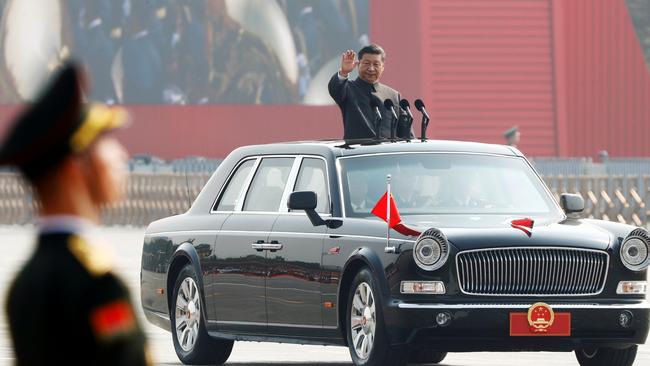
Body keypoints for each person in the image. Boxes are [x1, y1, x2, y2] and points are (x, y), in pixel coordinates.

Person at [0, 63, 151, 365]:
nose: (120, 156)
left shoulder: (24, 284)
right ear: (74, 169)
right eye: (104, 144)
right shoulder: (96, 284)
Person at [328, 44, 414, 140]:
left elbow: (406, 134)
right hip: (358, 152)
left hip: (388, 152)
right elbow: (335, 89)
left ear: (382, 67)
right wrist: (344, 72)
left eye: (376, 64)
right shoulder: (348, 88)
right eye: (366, 63)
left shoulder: (393, 95)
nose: (371, 68)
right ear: (358, 65)